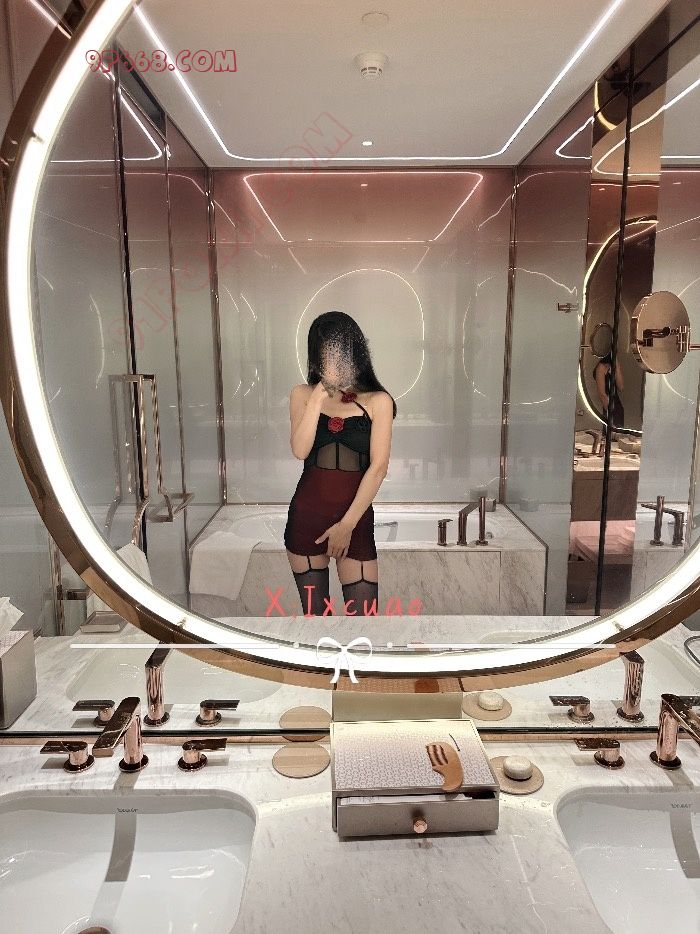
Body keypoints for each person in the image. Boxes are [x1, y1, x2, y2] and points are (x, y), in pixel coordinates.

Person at [284, 311, 396, 616]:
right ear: (316, 356)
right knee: (317, 621)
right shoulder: (302, 394)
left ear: (355, 351)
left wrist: (346, 525)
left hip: (355, 521)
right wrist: (317, 400)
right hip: (307, 519)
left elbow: (378, 468)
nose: (335, 360)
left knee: (363, 624)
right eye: (326, 352)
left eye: (341, 350)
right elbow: (300, 450)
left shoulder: (378, 401)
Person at [593, 351, 625, 429]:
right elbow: (602, 394)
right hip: (609, 408)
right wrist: (610, 415)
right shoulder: (601, 367)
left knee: (617, 435)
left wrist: (617, 365)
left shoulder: (612, 366)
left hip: (617, 407)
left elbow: (621, 387)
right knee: (610, 433)